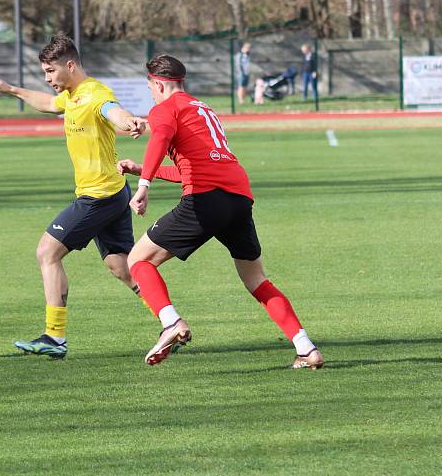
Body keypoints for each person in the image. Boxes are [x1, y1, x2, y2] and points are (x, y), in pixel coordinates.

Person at [117, 54, 324, 369]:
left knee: (137, 260)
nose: (152, 95)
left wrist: (143, 185)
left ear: (158, 83)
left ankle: (171, 323)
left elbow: (159, 138)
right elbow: (196, 167)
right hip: (239, 197)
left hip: (206, 200)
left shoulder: (164, 109)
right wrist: (142, 169)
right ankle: (305, 348)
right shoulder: (202, 109)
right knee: (256, 279)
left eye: (151, 89)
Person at [0, 33, 146, 359]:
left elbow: (112, 110)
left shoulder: (95, 93)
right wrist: (11, 89)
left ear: (70, 65)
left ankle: (54, 337)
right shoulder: (71, 96)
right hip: (113, 191)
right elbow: (47, 103)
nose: (48, 79)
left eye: (51, 72)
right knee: (121, 267)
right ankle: (170, 319)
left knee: (47, 252)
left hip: (97, 196)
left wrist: (128, 121)